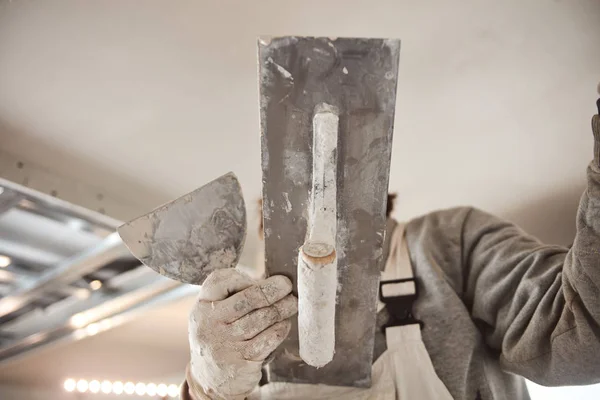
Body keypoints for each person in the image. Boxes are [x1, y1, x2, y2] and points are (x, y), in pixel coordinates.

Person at [181, 99, 600, 400]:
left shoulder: (448, 243)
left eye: (335, 179)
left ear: (375, 190)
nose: (316, 198)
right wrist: (206, 387)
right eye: (289, 198)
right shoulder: (249, 326)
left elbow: (583, 339)